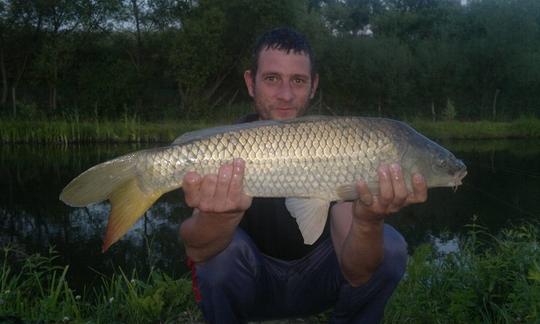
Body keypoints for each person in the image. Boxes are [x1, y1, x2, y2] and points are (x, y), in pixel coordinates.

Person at [179, 27, 428, 323]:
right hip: (255, 284)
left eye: (298, 81)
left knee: (390, 247)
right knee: (219, 259)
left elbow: (358, 273)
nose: (285, 95)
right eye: (272, 79)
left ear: (313, 86)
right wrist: (217, 219)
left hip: (320, 281)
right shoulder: (226, 149)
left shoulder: (343, 146)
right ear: (250, 82)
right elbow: (196, 249)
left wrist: (368, 222)